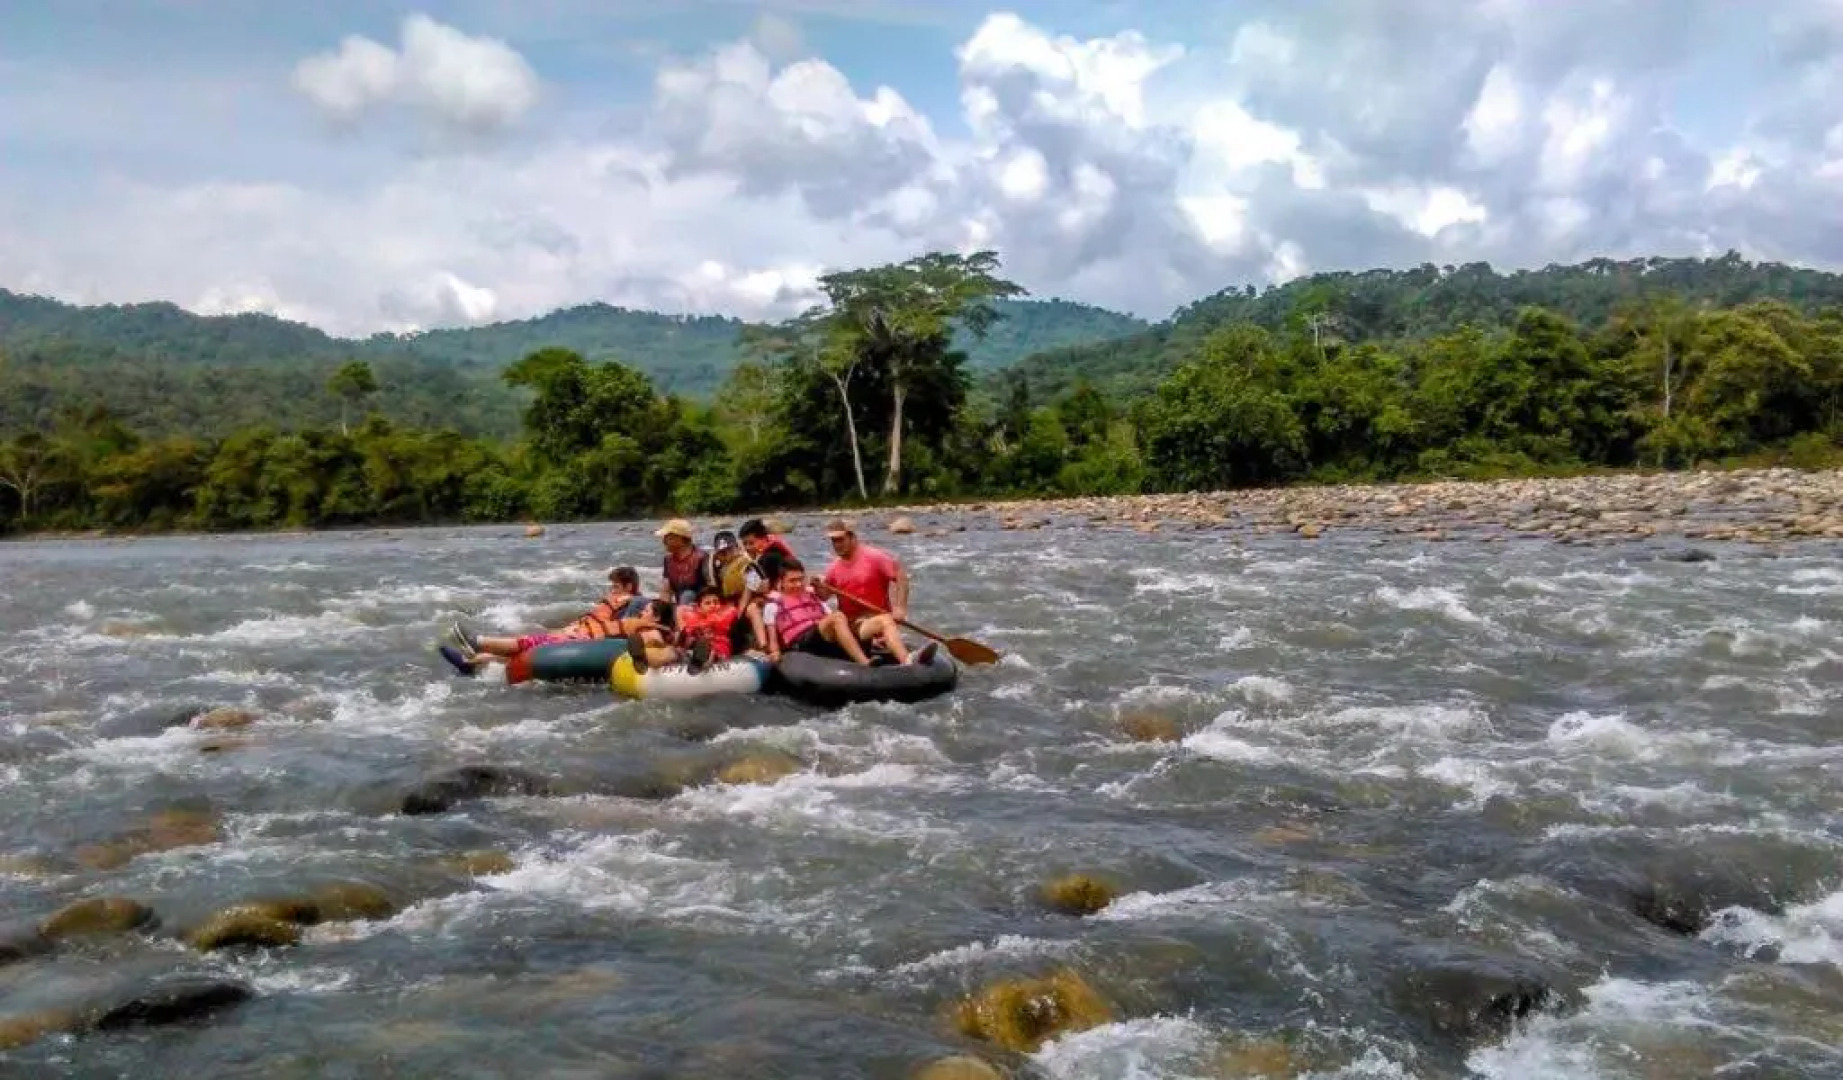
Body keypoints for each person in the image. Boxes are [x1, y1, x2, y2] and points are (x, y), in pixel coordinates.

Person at [441, 567, 649, 675]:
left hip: (590, 643)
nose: (611, 591)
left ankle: (478, 642)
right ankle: (471, 663)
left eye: (615, 587)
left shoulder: (636, 603)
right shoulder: (621, 602)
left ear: (629, 586)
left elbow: (626, 629)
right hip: (580, 636)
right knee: (525, 651)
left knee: (527, 643)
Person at [816, 518, 936, 665]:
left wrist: (900, 608)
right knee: (884, 620)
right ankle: (906, 659)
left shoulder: (875, 557)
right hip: (852, 627)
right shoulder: (833, 568)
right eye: (834, 541)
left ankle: (908, 660)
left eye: (841, 540)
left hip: (875, 622)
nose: (837, 545)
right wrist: (817, 586)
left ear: (853, 537)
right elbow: (824, 596)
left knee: (885, 620)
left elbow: (901, 577)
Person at [764, 558, 880, 666]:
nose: (798, 584)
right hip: (801, 644)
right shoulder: (773, 605)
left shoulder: (813, 595)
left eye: (800, 579)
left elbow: (833, 621)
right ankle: (864, 663)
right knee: (838, 616)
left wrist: (867, 637)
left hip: (822, 639)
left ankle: (896, 661)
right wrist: (775, 652)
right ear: (781, 582)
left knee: (871, 620)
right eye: (792, 581)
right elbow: (773, 638)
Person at [670, 587, 742, 674]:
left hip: (719, 649)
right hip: (696, 647)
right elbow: (681, 610)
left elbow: (736, 639)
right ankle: (689, 657)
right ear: (699, 607)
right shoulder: (693, 618)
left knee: (706, 644)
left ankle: (705, 658)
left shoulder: (727, 615)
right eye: (707, 603)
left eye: (716, 602)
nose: (712, 605)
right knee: (688, 637)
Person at [655, 518, 711, 604]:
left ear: (679, 538)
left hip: (701, 606)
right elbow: (666, 590)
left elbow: (711, 588)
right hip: (681, 607)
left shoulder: (702, 558)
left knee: (688, 595)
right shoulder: (668, 560)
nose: (663, 541)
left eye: (667, 537)